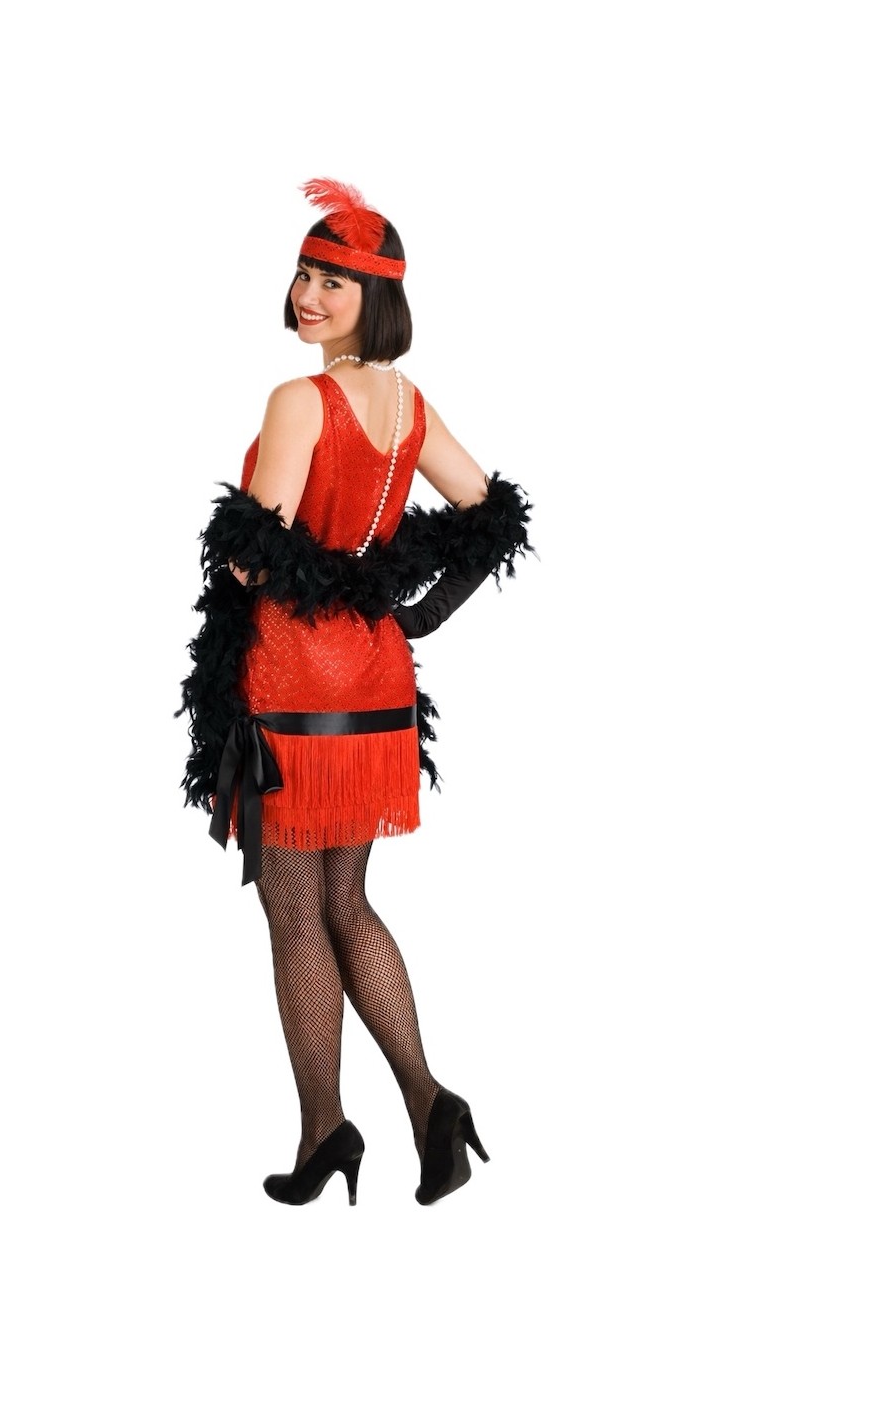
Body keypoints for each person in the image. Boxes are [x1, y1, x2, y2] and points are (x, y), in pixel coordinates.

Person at [179, 178, 533, 1206]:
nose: (308, 294)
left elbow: (254, 553)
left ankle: (323, 1133)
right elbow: (489, 513)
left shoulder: (299, 401)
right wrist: (415, 609)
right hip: (375, 679)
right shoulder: (410, 407)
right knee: (348, 903)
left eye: (333, 281)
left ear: (375, 297)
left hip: (294, 684)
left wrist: (248, 553)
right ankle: (430, 1108)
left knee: (297, 917)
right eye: (303, 272)